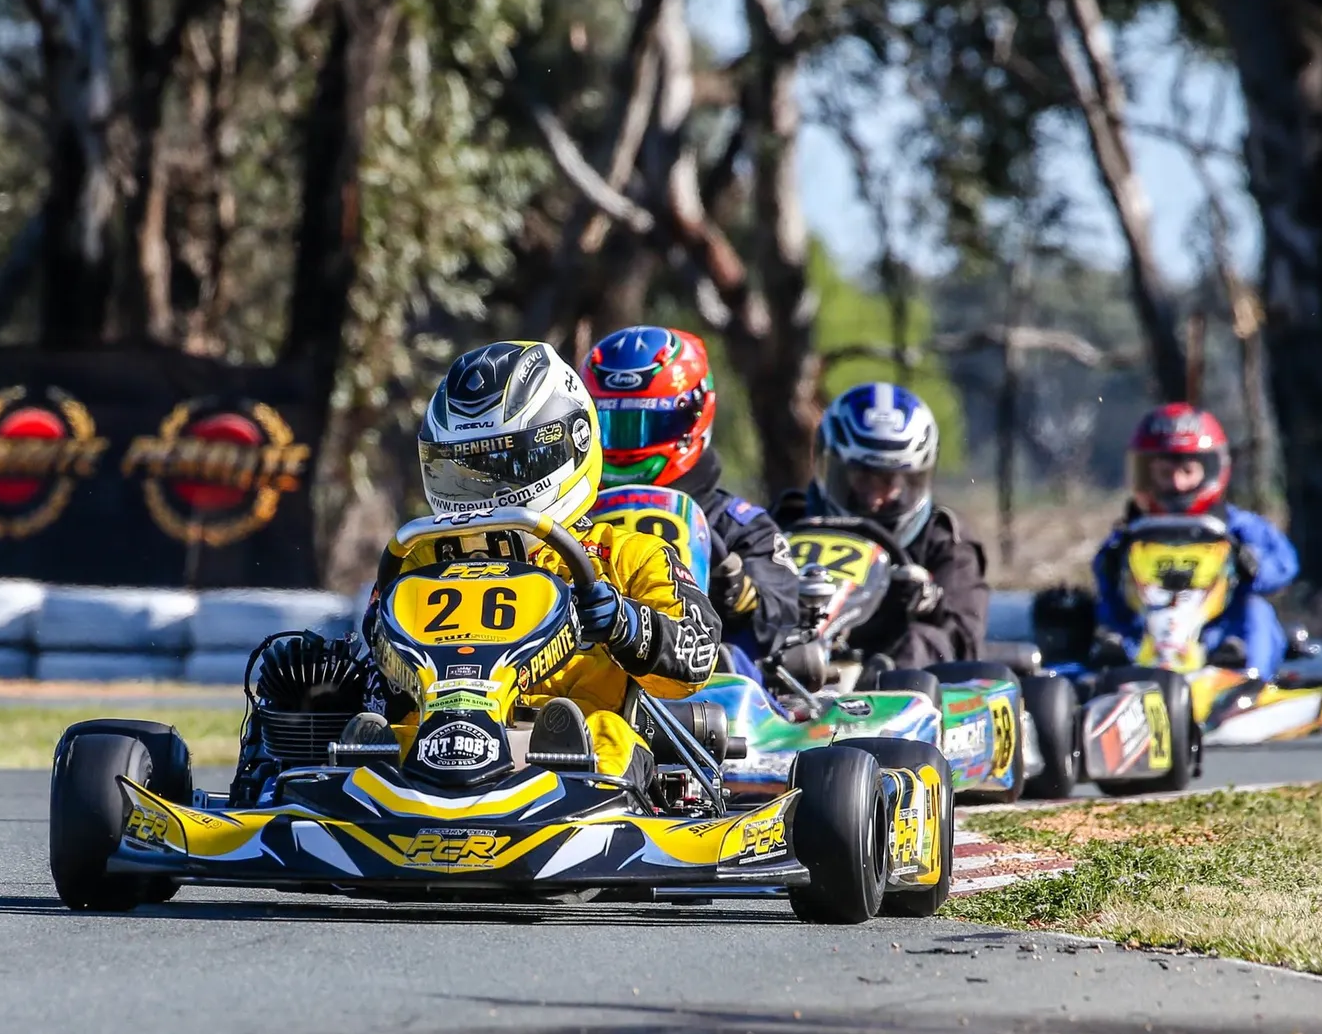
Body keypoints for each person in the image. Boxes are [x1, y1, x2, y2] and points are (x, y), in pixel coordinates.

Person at [385, 340, 722, 784]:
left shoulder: (628, 555)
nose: (482, 491)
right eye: (462, 472)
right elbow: (380, 677)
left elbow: (696, 658)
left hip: (574, 752)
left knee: (607, 735)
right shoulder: (420, 557)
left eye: (503, 465)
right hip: (440, 742)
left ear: (571, 443)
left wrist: (627, 625)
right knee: (383, 738)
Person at [580, 325, 800, 659]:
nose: (629, 447)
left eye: (649, 423)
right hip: (585, 681)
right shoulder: (571, 517)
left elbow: (784, 610)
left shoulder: (739, 526)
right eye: (613, 426)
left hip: (706, 689)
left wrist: (742, 593)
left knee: (736, 663)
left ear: (696, 414)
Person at [774, 382, 988, 668]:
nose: (874, 499)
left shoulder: (945, 542)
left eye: (888, 482)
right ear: (833, 467)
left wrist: (929, 604)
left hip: (897, 683)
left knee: (919, 640)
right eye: (862, 477)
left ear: (914, 478)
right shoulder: (785, 524)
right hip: (790, 665)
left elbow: (965, 642)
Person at [1092, 403, 1298, 674]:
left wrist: (1254, 567)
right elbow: (1103, 574)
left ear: (1210, 470)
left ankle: (1248, 676)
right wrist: (1111, 564)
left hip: (1217, 634)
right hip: (1146, 632)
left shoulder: (1236, 525)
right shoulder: (1131, 532)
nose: (1177, 484)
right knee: (1106, 614)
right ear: (1148, 473)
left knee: (1255, 609)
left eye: (1187, 472)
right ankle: (1115, 670)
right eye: (1166, 474)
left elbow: (1285, 563)